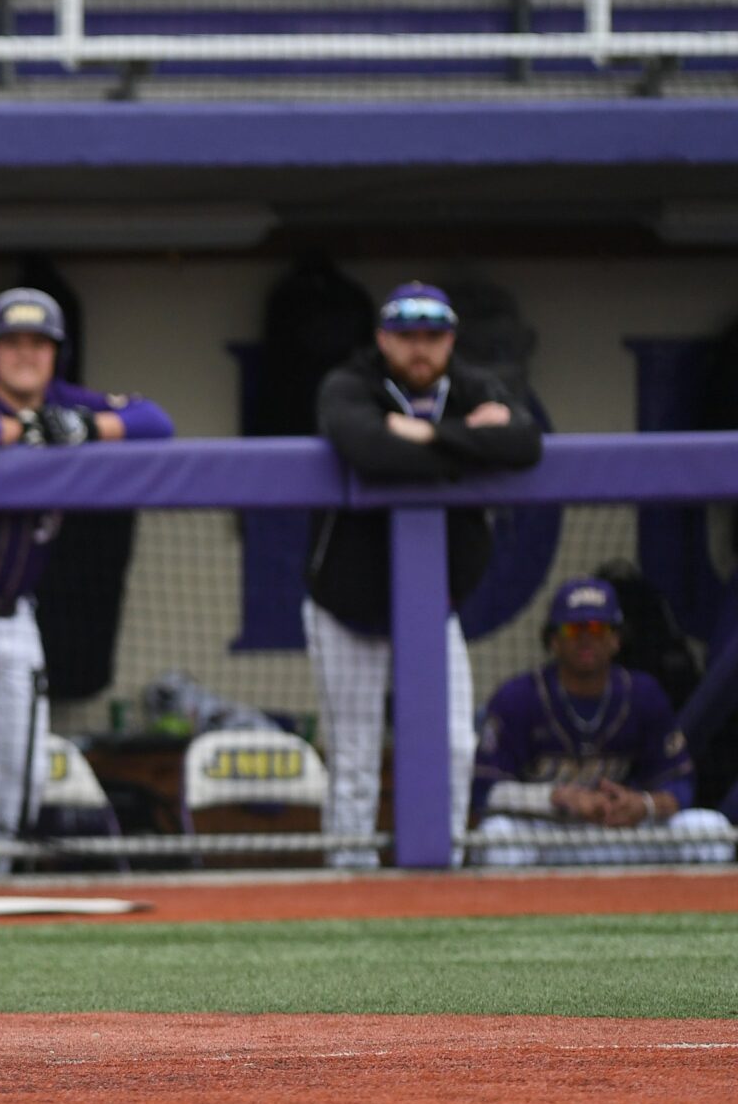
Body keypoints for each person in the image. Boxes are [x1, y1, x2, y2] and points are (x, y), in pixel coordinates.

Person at [0, 288, 174, 872]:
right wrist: (33, 428)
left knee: (26, 772)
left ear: (55, 353)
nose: (25, 355)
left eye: (38, 344)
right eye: (12, 342)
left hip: (16, 617)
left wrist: (83, 426)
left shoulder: (68, 399)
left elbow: (155, 421)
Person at [305, 281, 544, 868]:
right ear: (383, 338)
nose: (420, 348)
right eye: (406, 335)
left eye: (432, 336)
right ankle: (349, 878)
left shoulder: (470, 385)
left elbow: (524, 441)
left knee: (456, 744)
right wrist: (470, 442)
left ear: (450, 340)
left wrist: (429, 433)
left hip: (430, 606)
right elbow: (368, 448)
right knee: (356, 757)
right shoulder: (350, 381)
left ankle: (444, 874)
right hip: (348, 608)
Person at [471, 577, 735, 865]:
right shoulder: (518, 697)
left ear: (615, 639)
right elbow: (485, 791)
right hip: (547, 833)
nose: (586, 638)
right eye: (574, 628)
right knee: (496, 839)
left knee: (711, 830)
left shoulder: (643, 694)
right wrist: (556, 799)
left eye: (598, 628)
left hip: (620, 831)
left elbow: (680, 782)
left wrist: (643, 805)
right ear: (553, 640)